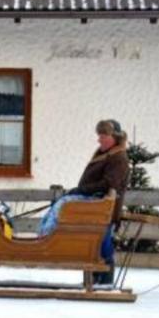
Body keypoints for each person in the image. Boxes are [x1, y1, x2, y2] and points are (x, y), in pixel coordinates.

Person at [38, 119, 129, 285]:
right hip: (95, 206)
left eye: (104, 135)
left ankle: (105, 281)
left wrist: (81, 190)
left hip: (103, 208)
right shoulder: (105, 154)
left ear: (115, 137)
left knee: (102, 242)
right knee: (93, 243)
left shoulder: (118, 158)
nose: (99, 139)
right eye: (99, 135)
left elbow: (109, 184)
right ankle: (94, 279)